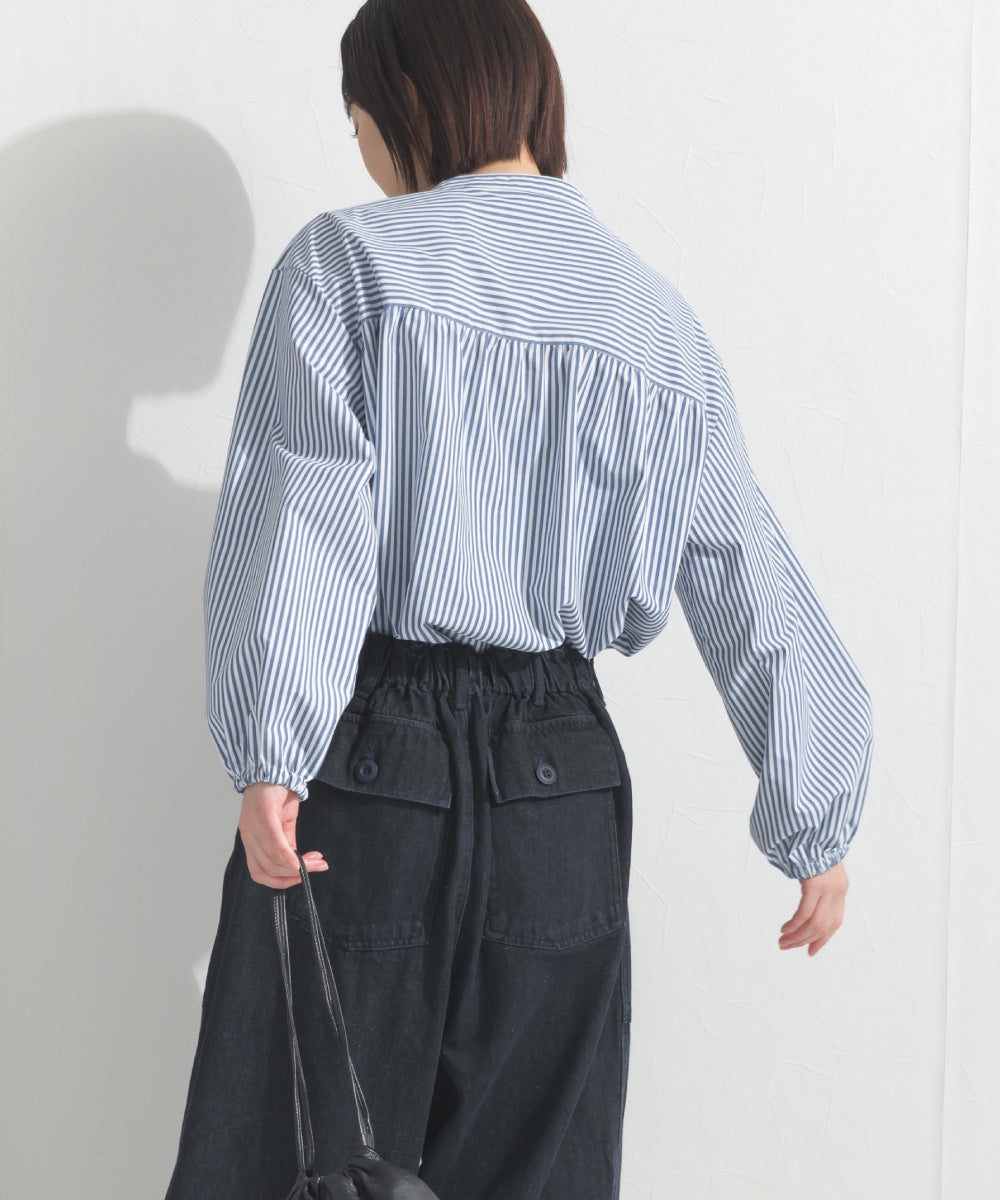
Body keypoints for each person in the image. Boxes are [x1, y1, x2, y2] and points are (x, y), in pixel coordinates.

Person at [163, 1, 874, 1197]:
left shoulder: (349, 264)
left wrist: (271, 756)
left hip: (374, 765)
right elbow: (740, 560)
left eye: (358, 124)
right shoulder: (654, 320)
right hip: (565, 784)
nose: (365, 159)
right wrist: (818, 815)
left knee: (290, 1162)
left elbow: (305, 516)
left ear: (406, 100)